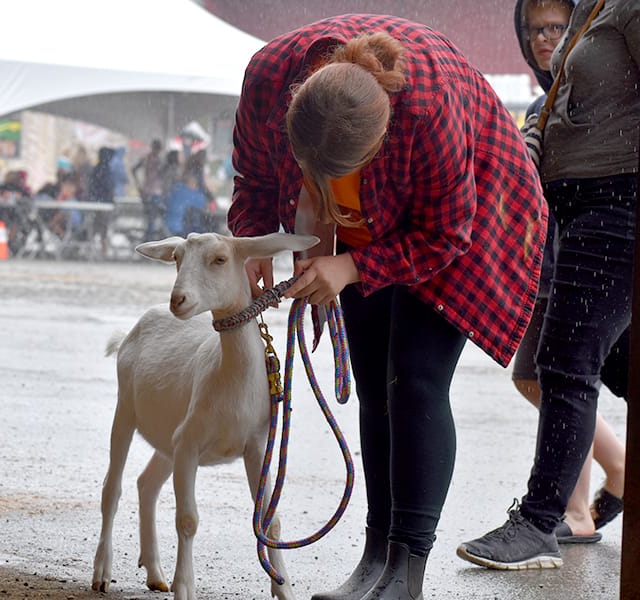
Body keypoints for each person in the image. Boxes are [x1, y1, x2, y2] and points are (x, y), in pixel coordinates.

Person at [228, 15, 546, 599]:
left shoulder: (426, 108)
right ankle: (375, 559)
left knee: (415, 380)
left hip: (465, 214)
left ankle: (406, 570)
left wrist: (350, 267)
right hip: (359, 227)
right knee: (375, 382)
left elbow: (447, 232)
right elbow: (252, 174)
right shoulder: (268, 75)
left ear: (381, 144)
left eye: (339, 175)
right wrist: (253, 239)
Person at [457, 0, 637, 570]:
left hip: (617, 202)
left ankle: (539, 524)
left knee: (564, 366)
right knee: (613, 370)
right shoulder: (595, 7)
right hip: (577, 206)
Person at [506, 0, 626, 545]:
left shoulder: (583, 102)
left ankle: (582, 502)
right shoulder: (546, 104)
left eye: (557, 26)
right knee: (554, 378)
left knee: (562, 378)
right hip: (553, 256)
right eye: (535, 29)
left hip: (581, 249)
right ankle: (587, 495)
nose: (545, 38)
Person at [131, 139, 165, 241]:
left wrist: (139, 186)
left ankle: (148, 238)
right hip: (151, 192)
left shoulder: (154, 160)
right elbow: (134, 170)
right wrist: (139, 186)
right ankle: (149, 239)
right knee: (151, 217)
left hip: (149, 191)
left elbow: (134, 170)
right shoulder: (153, 160)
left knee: (151, 217)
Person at [163, 171, 213, 237]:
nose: (196, 186)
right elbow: (207, 205)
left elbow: (166, 201)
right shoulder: (192, 194)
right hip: (180, 227)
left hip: (166, 224)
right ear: (192, 183)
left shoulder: (176, 189)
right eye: (195, 184)